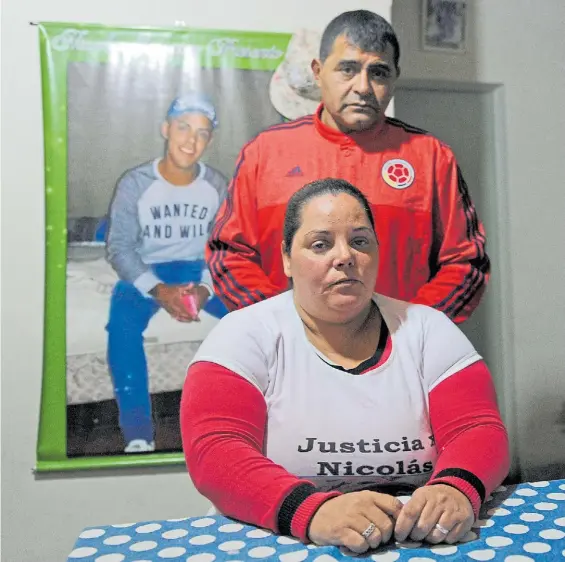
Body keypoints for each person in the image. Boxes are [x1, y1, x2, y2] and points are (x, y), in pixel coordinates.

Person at [181, 178, 509, 553]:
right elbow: (216, 451)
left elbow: (478, 428)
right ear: (287, 258)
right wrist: (313, 512)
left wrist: (454, 488)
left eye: (360, 241)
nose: (345, 256)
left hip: (415, 540)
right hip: (275, 537)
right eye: (320, 244)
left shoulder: (428, 329)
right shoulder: (242, 334)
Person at [207, 10, 489, 325]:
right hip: (286, 357)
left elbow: (467, 264)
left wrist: (412, 328)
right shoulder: (265, 153)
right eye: (348, 69)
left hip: (401, 358)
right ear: (318, 71)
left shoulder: (431, 157)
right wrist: (279, 324)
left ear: (395, 77)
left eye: (379, 73)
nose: (363, 87)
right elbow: (228, 253)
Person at [105, 92, 229, 453]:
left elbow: (224, 246)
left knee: (255, 315)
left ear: (210, 141)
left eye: (202, 133)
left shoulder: (216, 185)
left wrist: (205, 288)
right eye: (183, 128)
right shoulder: (135, 183)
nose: (191, 141)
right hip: (148, 267)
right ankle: (139, 434)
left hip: (198, 267)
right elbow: (120, 248)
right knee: (121, 328)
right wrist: (159, 290)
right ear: (166, 129)